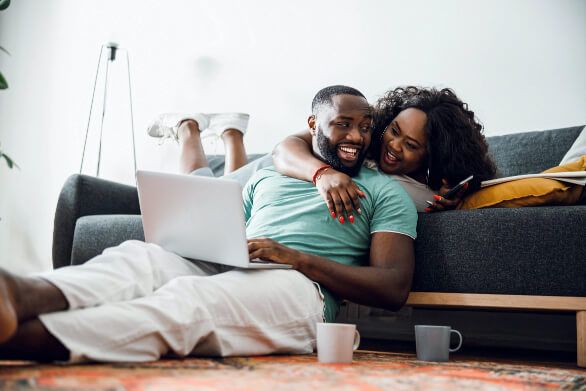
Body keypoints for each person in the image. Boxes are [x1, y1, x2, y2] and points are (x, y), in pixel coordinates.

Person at [0, 85, 417, 363]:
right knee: (140, 260)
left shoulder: (386, 192)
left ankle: (21, 337)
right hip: (236, 262)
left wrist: (295, 258)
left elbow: (392, 288)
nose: (357, 136)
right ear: (312, 126)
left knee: (189, 301)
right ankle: (19, 293)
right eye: (343, 124)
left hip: (301, 291)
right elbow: (232, 224)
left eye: (365, 127)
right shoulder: (274, 171)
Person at [150, 86, 496, 217]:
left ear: (434, 156)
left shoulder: (423, 189)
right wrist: (323, 173)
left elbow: (435, 199)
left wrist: (453, 202)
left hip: (260, 189)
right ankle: (187, 127)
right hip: (276, 169)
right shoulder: (361, 130)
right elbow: (284, 147)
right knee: (200, 194)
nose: (392, 146)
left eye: (411, 145)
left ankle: (231, 133)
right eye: (394, 131)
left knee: (225, 203)